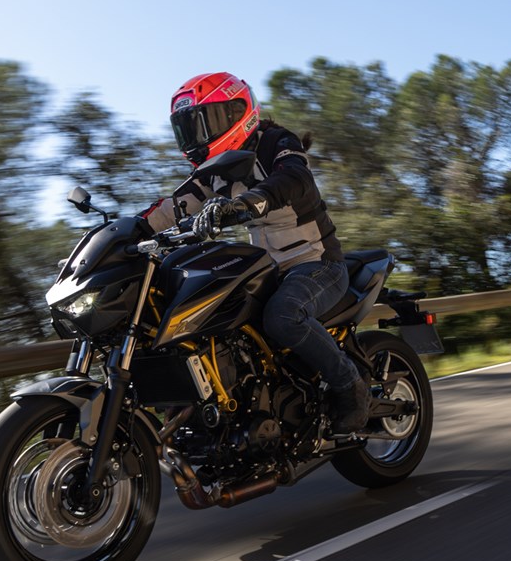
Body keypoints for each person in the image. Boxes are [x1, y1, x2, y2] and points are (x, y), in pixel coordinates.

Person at [139, 71, 370, 432]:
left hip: (317, 263)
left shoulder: (275, 141)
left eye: (205, 122)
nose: (198, 136)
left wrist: (244, 203)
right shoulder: (212, 173)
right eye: (189, 129)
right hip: (268, 270)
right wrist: (127, 231)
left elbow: (294, 178)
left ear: (238, 111)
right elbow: (173, 207)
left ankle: (350, 386)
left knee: (282, 317)